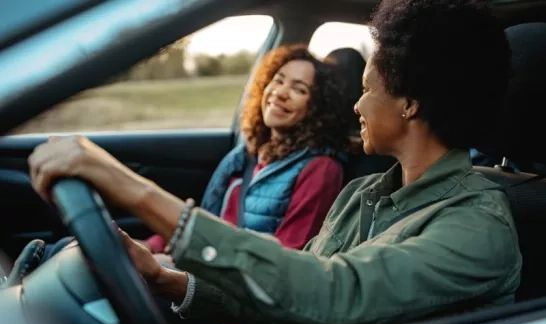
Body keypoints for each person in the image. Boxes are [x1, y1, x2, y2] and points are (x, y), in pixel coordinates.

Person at [28, 0, 521, 324]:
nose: (357, 103)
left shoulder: (477, 228)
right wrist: (164, 279)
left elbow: (335, 291)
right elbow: (285, 302)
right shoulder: (362, 194)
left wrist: (137, 193)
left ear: (412, 103)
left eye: (369, 88)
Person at [39, 44, 353, 265]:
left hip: (227, 282)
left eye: (299, 89)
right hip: (199, 259)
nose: (281, 92)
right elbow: (207, 216)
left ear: (317, 108)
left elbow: (289, 261)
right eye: (278, 80)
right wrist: (147, 246)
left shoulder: (321, 168)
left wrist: (173, 264)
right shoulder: (248, 155)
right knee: (72, 251)